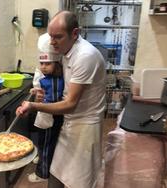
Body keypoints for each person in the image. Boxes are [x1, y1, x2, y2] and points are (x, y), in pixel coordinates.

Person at [16, 10, 106, 188]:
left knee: (80, 180)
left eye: (58, 36)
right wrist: (40, 91)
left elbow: (70, 104)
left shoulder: (85, 56)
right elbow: (60, 79)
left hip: (85, 127)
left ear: (75, 33)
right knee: (57, 172)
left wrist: (34, 106)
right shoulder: (67, 50)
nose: (52, 42)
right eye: (50, 36)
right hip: (70, 122)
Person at [28, 33, 64, 183]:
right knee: (42, 141)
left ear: (56, 64)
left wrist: (36, 104)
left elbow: (52, 101)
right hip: (44, 116)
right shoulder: (47, 78)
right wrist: (36, 91)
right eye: (41, 64)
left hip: (51, 118)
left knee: (48, 145)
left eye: (47, 64)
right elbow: (44, 93)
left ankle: (42, 174)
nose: (43, 67)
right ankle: (41, 158)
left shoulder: (56, 80)